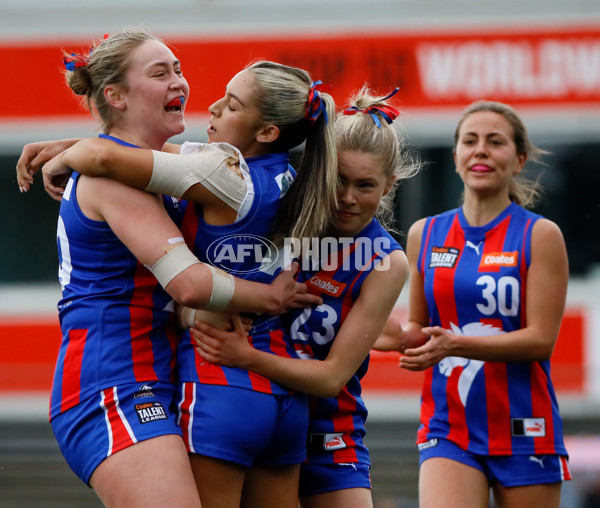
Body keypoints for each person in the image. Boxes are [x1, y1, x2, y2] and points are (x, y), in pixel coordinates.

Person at [15, 30, 316, 508]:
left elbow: (137, 156)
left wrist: (74, 145)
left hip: (159, 374)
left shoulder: (152, 168)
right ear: (114, 95)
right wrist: (271, 298)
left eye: (179, 68)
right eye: (161, 73)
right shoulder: (113, 179)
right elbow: (191, 284)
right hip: (111, 382)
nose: (181, 82)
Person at [192, 86, 420, 508]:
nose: (348, 198)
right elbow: (181, 162)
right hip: (253, 412)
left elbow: (333, 377)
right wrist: (93, 148)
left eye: (365, 185)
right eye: (339, 180)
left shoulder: (387, 261)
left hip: (330, 433)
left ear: (388, 186)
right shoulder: (279, 208)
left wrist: (248, 357)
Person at [375, 100, 571, 508]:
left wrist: (453, 344)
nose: (481, 150)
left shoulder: (540, 235)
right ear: (456, 156)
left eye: (495, 142)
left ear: (518, 160)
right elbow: (419, 328)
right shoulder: (424, 233)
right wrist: (366, 329)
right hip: (448, 425)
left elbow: (540, 341)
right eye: (470, 140)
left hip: (524, 424)